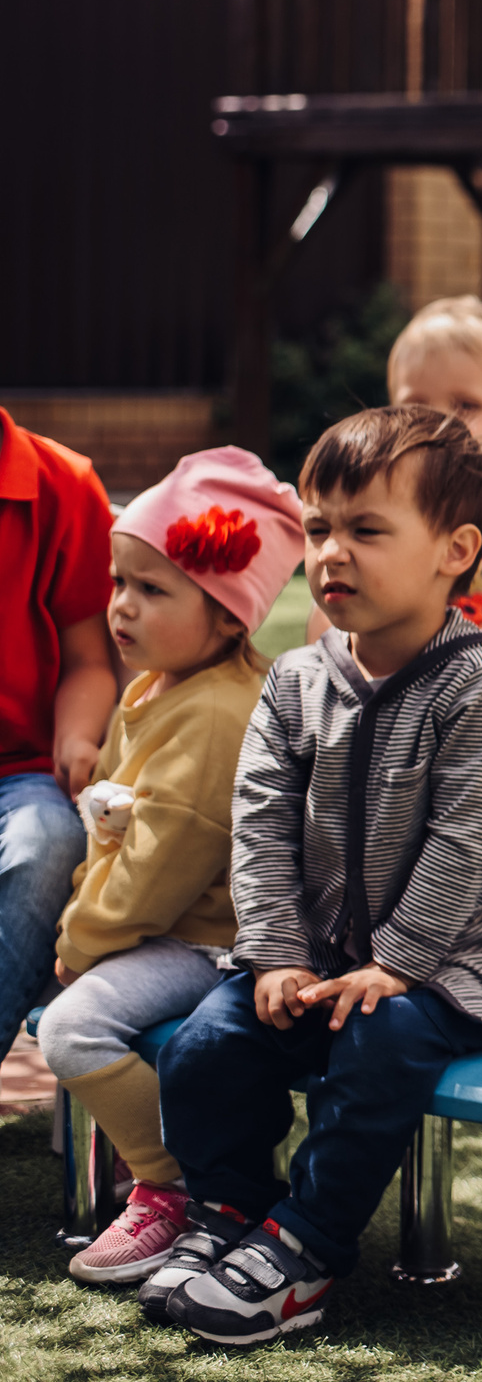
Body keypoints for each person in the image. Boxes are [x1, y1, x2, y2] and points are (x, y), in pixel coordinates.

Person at [146, 407, 482, 1345]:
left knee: (379, 1042)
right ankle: (230, 1212)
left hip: (449, 972)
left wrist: (398, 962)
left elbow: (470, 843)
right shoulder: (294, 680)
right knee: (205, 1044)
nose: (333, 552)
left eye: (367, 530)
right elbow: (263, 822)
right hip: (313, 961)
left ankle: (306, 1247)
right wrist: (277, 953)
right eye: (319, 527)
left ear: (455, 550)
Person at [39, 449, 302, 1287]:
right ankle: (154, 1159)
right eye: (120, 581)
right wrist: (90, 922)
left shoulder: (217, 713)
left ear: (230, 616)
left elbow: (163, 862)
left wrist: (86, 936)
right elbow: (116, 831)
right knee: (76, 1010)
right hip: (167, 925)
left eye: (153, 590)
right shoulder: (157, 686)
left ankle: (171, 1183)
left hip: (212, 941)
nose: (122, 605)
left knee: (72, 1025)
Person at [308, 295, 482, 705]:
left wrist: (468, 713)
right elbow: (327, 617)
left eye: (466, 405)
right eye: (416, 405)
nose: (439, 423)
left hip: (471, 744)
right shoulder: (375, 518)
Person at [0, 406, 116, 1052]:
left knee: (46, 843)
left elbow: (90, 660)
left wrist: (76, 739)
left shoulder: (61, 483)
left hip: (21, 775)